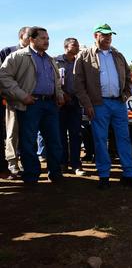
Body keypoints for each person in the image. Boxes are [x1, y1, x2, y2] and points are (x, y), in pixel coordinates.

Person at [74, 24, 132, 189]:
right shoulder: (84, 56)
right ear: (96, 35)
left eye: (110, 35)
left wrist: (125, 94)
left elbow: (129, 76)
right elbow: (78, 83)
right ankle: (104, 176)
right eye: (105, 35)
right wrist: (87, 104)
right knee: (100, 139)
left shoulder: (118, 55)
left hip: (118, 103)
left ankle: (129, 174)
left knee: (124, 138)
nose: (109, 38)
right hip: (98, 104)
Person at [0, 26, 64, 184]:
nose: (47, 41)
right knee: (28, 142)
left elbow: (55, 80)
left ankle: (55, 173)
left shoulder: (50, 59)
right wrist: (22, 96)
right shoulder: (17, 56)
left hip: (50, 104)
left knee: (54, 140)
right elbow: (4, 77)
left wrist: (59, 95)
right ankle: (31, 176)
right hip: (30, 104)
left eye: (48, 38)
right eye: (43, 38)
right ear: (32, 39)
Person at [0, 26, 30, 179]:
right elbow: (3, 77)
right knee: (12, 133)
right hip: (12, 100)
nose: (31, 38)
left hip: (31, 102)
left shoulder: (36, 55)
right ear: (21, 37)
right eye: (28, 35)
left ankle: (27, 164)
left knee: (28, 133)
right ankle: (13, 165)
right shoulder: (7, 51)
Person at [56, 38, 86, 176]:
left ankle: (76, 164)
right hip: (59, 103)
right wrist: (62, 94)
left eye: (78, 45)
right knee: (60, 134)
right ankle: (62, 163)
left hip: (75, 103)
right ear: (66, 46)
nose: (77, 47)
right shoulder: (55, 61)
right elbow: (52, 81)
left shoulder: (80, 62)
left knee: (76, 134)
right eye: (74, 45)